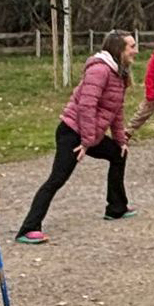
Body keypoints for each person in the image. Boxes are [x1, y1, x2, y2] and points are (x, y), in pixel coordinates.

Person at [17, 32, 137, 243]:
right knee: (57, 179)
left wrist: (120, 140)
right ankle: (28, 228)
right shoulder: (100, 70)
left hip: (89, 134)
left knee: (119, 154)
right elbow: (86, 106)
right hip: (72, 133)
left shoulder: (119, 73)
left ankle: (116, 207)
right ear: (119, 49)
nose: (136, 51)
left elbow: (115, 110)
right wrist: (86, 142)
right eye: (131, 46)